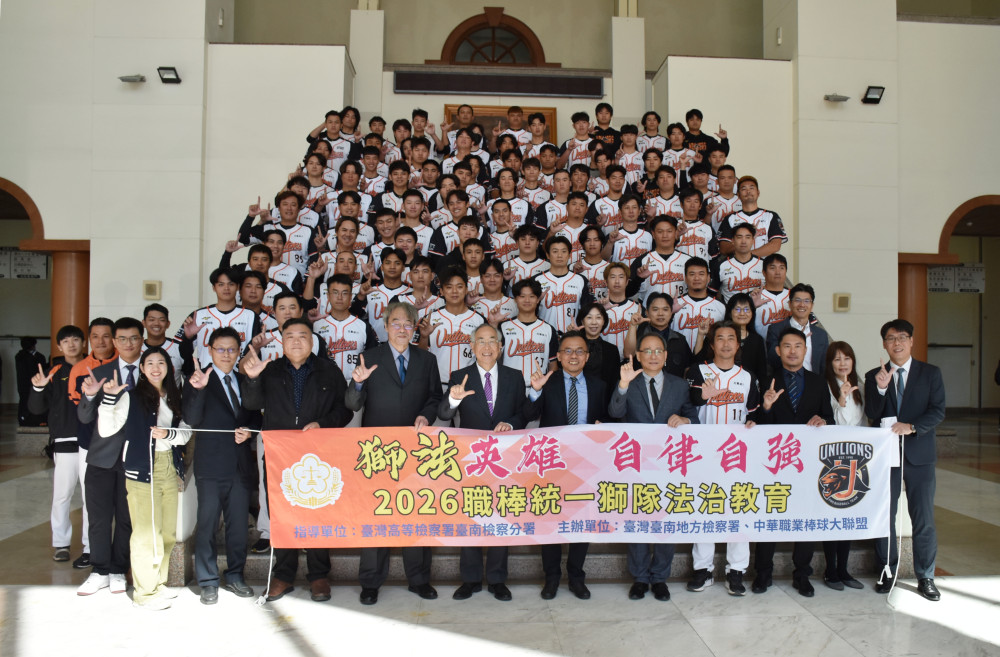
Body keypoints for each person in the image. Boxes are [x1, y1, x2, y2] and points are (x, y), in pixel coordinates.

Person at [241, 318, 352, 604]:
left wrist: (322, 424)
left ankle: (318, 575)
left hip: (319, 453)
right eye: (289, 336)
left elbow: (345, 410)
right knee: (282, 513)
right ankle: (283, 575)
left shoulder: (328, 370)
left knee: (319, 511)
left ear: (312, 341)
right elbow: (251, 405)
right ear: (282, 341)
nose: (296, 341)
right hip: (280, 455)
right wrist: (252, 380)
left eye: (303, 336)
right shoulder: (270, 370)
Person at [346, 302, 443, 605]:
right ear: (386, 326)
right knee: (377, 513)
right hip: (378, 451)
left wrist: (427, 415)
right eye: (396, 323)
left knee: (416, 511)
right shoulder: (369, 358)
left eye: (408, 324)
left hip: (416, 450)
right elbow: (352, 404)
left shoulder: (427, 360)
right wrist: (357, 384)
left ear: (415, 328)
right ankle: (371, 581)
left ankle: (419, 579)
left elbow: (435, 397)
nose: (402, 329)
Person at [96, 346, 191, 610]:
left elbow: (186, 432)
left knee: (167, 533)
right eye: (150, 363)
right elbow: (106, 430)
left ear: (168, 368)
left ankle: (158, 585)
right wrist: (108, 399)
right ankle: (145, 593)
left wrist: (169, 435)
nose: (155, 368)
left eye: (161, 362)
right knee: (146, 534)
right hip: (142, 471)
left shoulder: (175, 396)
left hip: (168, 467)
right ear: (141, 368)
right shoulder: (131, 397)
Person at [438, 324, 527, 602]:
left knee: (501, 514)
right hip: (471, 458)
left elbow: (524, 412)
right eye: (481, 341)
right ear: (472, 346)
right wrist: (454, 399)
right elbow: (443, 413)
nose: (487, 347)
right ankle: (471, 579)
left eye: (492, 341)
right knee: (472, 514)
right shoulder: (459, 376)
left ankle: (498, 580)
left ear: (500, 347)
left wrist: (511, 422)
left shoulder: (514, 376)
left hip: (504, 458)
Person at [609, 333, 699, 601]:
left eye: (658, 351)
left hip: (669, 464)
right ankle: (639, 578)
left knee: (665, 521)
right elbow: (614, 413)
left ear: (666, 355)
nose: (653, 356)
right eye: (647, 351)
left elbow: (693, 418)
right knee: (637, 519)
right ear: (638, 356)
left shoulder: (679, 385)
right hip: (635, 464)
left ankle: (660, 577)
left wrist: (685, 420)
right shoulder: (628, 380)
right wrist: (623, 385)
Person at [524, 331, 610, 600]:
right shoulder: (546, 383)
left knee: (582, 519)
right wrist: (535, 391)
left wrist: (603, 426)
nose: (574, 356)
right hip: (552, 461)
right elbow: (528, 415)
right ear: (559, 357)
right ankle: (551, 577)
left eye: (579, 351)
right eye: (568, 351)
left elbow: (608, 419)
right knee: (550, 518)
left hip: (586, 462)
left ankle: (576, 577)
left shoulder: (599, 385)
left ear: (587, 356)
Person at [864, 319, 945, 601]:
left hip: (920, 455)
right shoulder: (874, 375)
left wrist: (911, 426)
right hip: (886, 458)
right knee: (885, 516)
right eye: (890, 338)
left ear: (911, 341)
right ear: (884, 344)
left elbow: (938, 411)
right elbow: (872, 413)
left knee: (923, 518)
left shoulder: (930, 373)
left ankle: (926, 576)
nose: (896, 343)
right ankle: (887, 570)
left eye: (902, 337)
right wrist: (881, 389)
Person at [753, 327, 834, 597]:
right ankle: (763, 573)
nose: (792, 351)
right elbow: (755, 424)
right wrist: (766, 407)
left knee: (805, 517)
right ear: (778, 351)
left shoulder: (818, 382)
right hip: (773, 462)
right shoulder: (766, 381)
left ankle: (802, 575)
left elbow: (829, 418)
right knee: (769, 516)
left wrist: (823, 420)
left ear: (805, 350)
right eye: (787, 346)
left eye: (798, 346)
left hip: (807, 463)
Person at [183, 327, 259, 605]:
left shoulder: (244, 379)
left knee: (238, 527)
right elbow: (191, 419)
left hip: (240, 465)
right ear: (210, 350)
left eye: (231, 349)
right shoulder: (198, 379)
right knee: (207, 525)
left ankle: (236, 575)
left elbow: (256, 416)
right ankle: (208, 581)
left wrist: (249, 432)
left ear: (239, 352)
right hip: (211, 466)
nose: (226, 354)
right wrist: (199, 390)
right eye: (220, 349)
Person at [686, 321, 759, 596]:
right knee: (704, 507)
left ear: (738, 344)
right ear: (712, 343)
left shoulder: (747, 376)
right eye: (720, 338)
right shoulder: (699, 370)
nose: (726, 343)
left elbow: (754, 414)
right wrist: (702, 396)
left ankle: (736, 571)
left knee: (739, 507)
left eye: (731, 338)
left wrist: (754, 420)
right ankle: (702, 570)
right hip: (703, 452)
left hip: (737, 453)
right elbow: (689, 402)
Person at [75, 317, 147, 597]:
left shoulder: (152, 370)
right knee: (99, 517)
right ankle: (99, 570)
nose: (129, 344)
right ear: (115, 342)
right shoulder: (100, 373)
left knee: (127, 518)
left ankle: (118, 569)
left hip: (136, 457)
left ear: (141, 340)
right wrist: (89, 396)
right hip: (101, 458)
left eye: (134, 338)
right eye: (122, 339)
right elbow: (84, 417)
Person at [29, 325, 87, 564]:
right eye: (66, 341)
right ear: (59, 346)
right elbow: (36, 409)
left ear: (83, 343)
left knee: (91, 497)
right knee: (62, 496)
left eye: (75, 340)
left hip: (92, 441)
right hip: (64, 441)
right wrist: (38, 388)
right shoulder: (52, 372)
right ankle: (61, 544)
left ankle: (90, 545)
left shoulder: (93, 367)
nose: (71, 344)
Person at [66, 317, 117, 570]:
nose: (100, 341)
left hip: (121, 443)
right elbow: (80, 408)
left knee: (123, 503)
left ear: (114, 338)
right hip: (91, 443)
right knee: (92, 501)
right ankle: (90, 549)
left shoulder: (122, 364)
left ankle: (121, 552)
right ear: (89, 339)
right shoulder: (80, 368)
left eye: (106, 336)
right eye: (95, 336)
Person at [821, 341, 866, 592]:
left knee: (847, 515)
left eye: (846, 358)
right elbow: (837, 423)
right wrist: (842, 399)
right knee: (832, 515)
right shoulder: (824, 386)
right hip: (831, 459)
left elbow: (862, 423)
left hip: (855, 459)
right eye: (837, 359)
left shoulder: (861, 386)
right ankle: (831, 570)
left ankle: (844, 570)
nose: (842, 363)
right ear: (830, 363)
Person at [766, 283, 829, 376]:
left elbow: (824, 367)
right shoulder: (776, 329)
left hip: (813, 382)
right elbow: (772, 360)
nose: (802, 305)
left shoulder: (821, 335)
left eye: (807, 301)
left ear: (812, 305)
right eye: (797, 300)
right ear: (790, 304)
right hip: (785, 381)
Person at [725, 293, 767, 385]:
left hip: (749, 388)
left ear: (752, 313)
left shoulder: (757, 340)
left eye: (746, 309)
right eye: (737, 309)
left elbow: (761, 372)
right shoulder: (721, 336)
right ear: (730, 313)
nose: (742, 313)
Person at [15, 337, 47, 426]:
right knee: (35, 402)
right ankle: (33, 420)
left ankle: (23, 419)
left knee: (23, 402)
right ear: (33, 345)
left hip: (22, 385)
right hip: (34, 384)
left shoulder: (19, 356)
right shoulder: (38, 357)